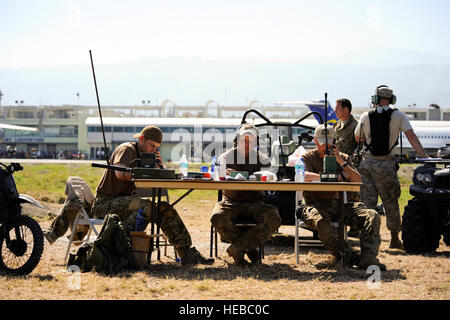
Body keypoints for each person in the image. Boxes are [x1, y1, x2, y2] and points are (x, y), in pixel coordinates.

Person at [90, 125, 214, 266]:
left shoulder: (146, 155)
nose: (153, 149)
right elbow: (120, 173)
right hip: (105, 203)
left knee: (164, 209)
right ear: (142, 139)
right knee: (147, 207)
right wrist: (140, 172)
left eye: (157, 147)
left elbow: (156, 179)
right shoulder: (127, 149)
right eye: (152, 146)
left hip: (123, 203)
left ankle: (186, 252)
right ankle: (125, 249)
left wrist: (158, 165)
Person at [297, 124, 386, 270]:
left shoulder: (342, 157)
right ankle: (350, 256)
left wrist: (340, 161)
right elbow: (303, 175)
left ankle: (369, 258)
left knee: (372, 215)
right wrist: (329, 178)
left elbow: (357, 180)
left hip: (343, 204)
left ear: (334, 141)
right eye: (321, 141)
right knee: (321, 223)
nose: (325, 145)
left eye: (329, 141)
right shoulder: (308, 157)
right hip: (317, 204)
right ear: (315, 141)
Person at [355, 85, 429, 249]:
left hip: (367, 164)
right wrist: (425, 157)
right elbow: (411, 135)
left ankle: (368, 239)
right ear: (392, 99)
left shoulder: (366, 116)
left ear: (375, 99)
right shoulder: (399, 116)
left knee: (367, 203)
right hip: (387, 164)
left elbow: (357, 137)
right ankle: (394, 238)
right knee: (390, 202)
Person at [210, 123, 282, 266]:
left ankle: (238, 248)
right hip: (231, 202)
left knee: (274, 218)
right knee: (217, 217)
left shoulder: (263, 159)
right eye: (244, 139)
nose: (247, 143)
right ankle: (251, 250)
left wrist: (264, 176)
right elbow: (216, 175)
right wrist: (223, 173)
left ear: (255, 141)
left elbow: (270, 178)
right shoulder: (225, 158)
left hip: (256, 202)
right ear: (238, 139)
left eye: (251, 140)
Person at [333, 98, 361, 238]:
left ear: (346, 110)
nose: (335, 111)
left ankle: (355, 227)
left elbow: (359, 146)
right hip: (336, 164)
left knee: (353, 197)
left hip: (349, 165)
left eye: (337, 108)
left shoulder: (355, 126)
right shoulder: (336, 125)